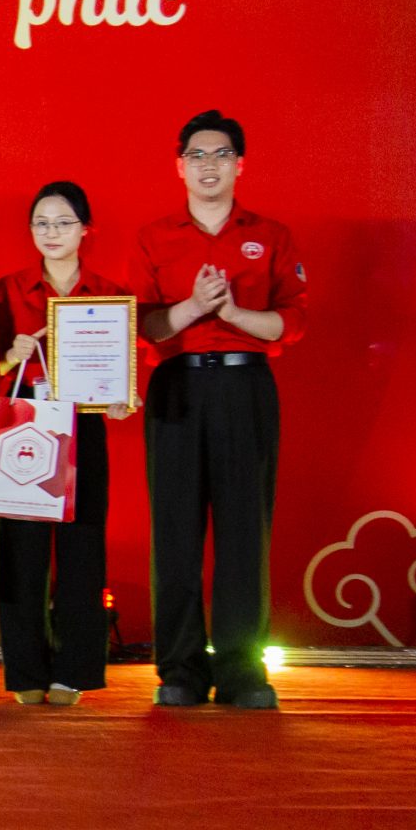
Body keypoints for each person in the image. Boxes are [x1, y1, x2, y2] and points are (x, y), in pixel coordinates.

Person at [133, 109, 307, 710]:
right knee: (175, 533)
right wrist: (191, 308)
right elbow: (143, 324)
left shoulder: (272, 235)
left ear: (240, 165)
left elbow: (292, 321)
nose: (209, 165)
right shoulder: (154, 237)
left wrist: (230, 313)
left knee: (243, 532)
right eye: (197, 155)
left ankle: (241, 670)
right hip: (177, 387)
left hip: (244, 387)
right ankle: (180, 669)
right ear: (179, 167)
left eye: (221, 154)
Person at [0, 181, 132, 706]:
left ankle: (76, 670)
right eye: (41, 223)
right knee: (21, 552)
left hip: (83, 425)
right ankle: (25, 671)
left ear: (86, 229)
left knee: (82, 550)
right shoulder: (6, 291)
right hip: (24, 425)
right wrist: (12, 354)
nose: (52, 232)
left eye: (64, 222)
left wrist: (121, 396)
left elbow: (124, 371)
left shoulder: (109, 295)